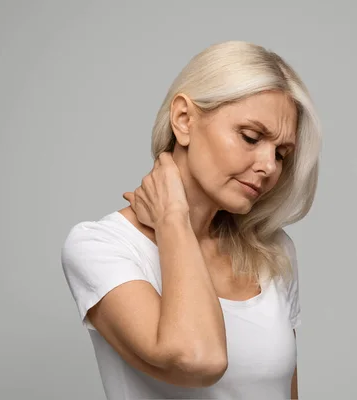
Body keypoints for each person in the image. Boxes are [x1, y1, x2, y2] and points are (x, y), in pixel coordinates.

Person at [61, 40, 321, 399]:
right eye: (250, 137)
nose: (269, 166)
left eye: (281, 153)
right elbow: (199, 358)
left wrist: (174, 221)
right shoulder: (102, 247)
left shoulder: (272, 252)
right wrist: (174, 222)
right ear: (184, 119)